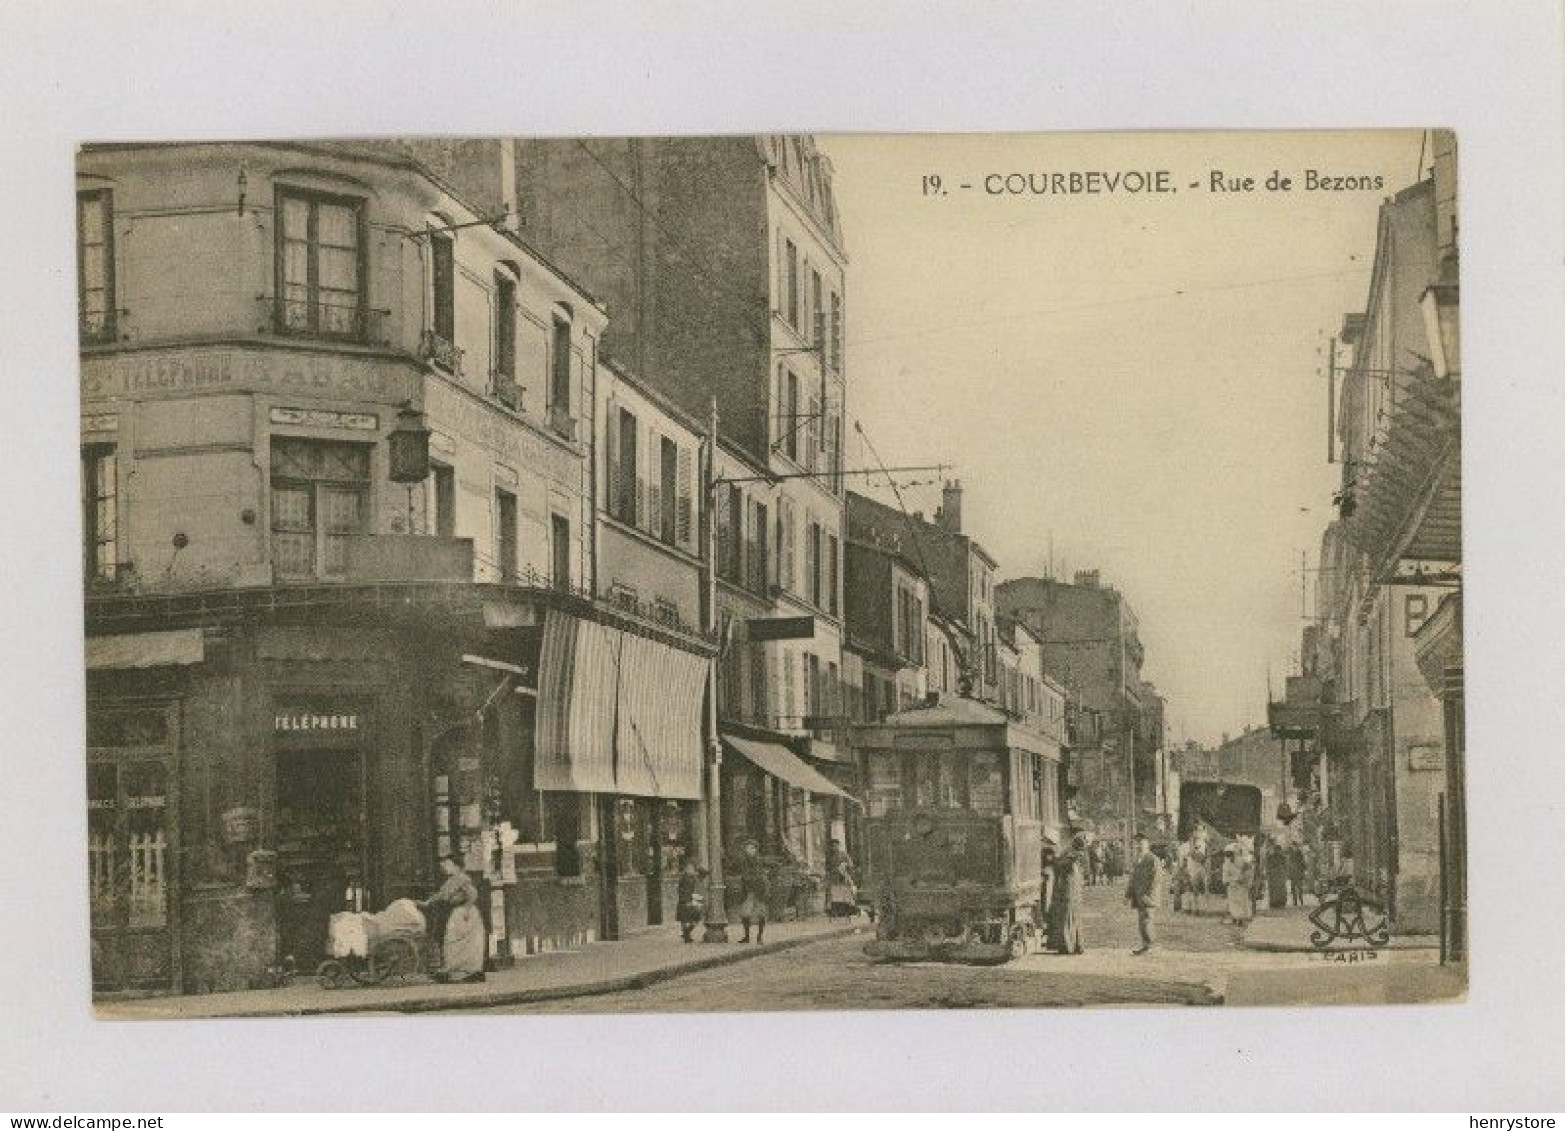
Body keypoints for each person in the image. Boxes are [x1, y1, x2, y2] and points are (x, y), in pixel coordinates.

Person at [420, 854, 485, 983]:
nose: (445, 867)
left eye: (448, 864)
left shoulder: (461, 878)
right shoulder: (453, 880)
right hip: (460, 911)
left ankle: (464, 971)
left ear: (457, 866)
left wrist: (466, 909)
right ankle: (464, 971)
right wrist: (428, 902)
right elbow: (441, 895)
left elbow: (472, 893)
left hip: (464, 912)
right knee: (458, 941)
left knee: (459, 940)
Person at [1048, 833, 1087, 954]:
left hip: (1069, 888)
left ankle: (1067, 946)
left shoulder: (1071, 853)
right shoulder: (1072, 853)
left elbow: (1061, 866)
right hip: (1073, 888)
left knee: (1067, 916)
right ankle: (1076, 945)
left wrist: (1056, 860)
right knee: (1073, 916)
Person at [1126, 833, 1163, 955]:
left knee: (1147, 920)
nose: (1138, 846)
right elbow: (1132, 878)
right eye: (1136, 843)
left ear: (1147, 844)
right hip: (1138, 895)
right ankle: (1145, 945)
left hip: (1148, 896)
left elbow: (1156, 879)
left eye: (1141, 843)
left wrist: (1148, 895)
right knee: (1142, 921)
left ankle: (1151, 945)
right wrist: (1128, 895)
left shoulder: (1153, 859)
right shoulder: (1137, 860)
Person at [732, 838, 771, 944]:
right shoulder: (742, 861)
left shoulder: (760, 861)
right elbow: (741, 874)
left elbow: (763, 874)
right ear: (744, 849)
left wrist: (763, 879)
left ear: (756, 849)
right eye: (748, 848)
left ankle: (759, 936)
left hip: (760, 891)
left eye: (753, 848)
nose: (750, 850)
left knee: (761, 914)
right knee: (745, 914)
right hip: (748, 891)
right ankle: (747, 936)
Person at [675, 860, 707, 943]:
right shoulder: (685, 879)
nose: (691, 870)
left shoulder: (694, 878)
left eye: (692, 868)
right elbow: (683, 891)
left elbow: (696, 891)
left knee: (694, 918)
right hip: (686, 901)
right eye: (689, 868)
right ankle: (686, 935)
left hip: (691, 900)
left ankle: (686, 933)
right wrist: (687, 901)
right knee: (685, 919)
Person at [1223, 844, 1254, 926]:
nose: (1230, 857)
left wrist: (1244, 878)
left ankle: (1240, 919)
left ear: (1234, 854)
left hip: (1241, 885)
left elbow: (1249, 869)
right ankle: (1234, 917)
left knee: (1241, 901)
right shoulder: (1226, 864)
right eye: (1228, 855)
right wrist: (1227, 881)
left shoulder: (1241, 861)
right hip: (1232, 885)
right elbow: (1225, 875)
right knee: (1233, 902)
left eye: (1231, 855)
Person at [826, 840, 858, 919]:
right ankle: (837, 912)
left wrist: (844, 866)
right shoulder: (830, 856)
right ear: (831, 847)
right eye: (833, 846)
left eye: (836, 846)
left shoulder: (844, 854)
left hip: (843, 877)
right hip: (834, 877)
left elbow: (850, 864)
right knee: (836, 894)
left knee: (844, 894)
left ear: (839, 846)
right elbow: (828, 868)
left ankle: (846, 911)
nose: (835, 848)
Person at [1266, 836, 1289, 910]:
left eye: (1278, 850)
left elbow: (1285, 866)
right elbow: (1268, 866)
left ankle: (1279, 902)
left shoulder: (1282, 857)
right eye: (1276, 850)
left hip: (1278, 875)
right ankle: (1275, 902)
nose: (1277, 851)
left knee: (1279, 889)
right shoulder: (1272, 857)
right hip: (1275, 875)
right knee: (1275, 889)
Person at [1287, 841, 1308, 907]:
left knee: (1299, 888)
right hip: (1293, 873)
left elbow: (1303, 863)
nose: (1293, 847)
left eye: (1294, 846)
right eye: (1293, 846)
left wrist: (1303, 870)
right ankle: (1295, 901)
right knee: (1293, 888)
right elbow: (1289, 864)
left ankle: (1301, 900)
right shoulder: (1291, 854)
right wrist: (1289, 873)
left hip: (1298, 873)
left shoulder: (1299, 853)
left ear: (1296, 846)